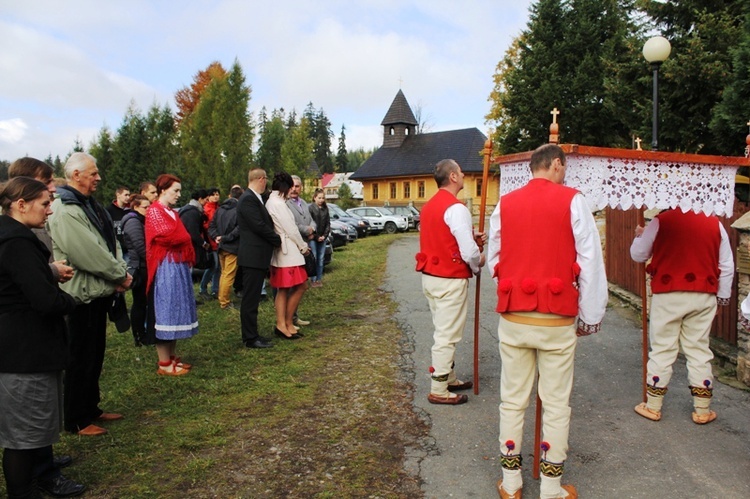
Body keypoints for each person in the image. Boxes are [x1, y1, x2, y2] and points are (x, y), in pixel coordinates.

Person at [488, 144, 607, 499]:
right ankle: (551, 486)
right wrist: (590, 314)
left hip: (514, 314)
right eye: (564, 167)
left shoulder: (505, 203)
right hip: (555, 318)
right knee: (555, 403)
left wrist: (511, 291)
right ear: (556, 164)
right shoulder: (573, 200)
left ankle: (511, 483)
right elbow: (589, 259)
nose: (565, 174)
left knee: (512, 399)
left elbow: (495, 256)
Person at [7, 158, 82, 497]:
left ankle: (37, 478)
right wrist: (73, 302)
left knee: (28, 429)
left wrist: (48, 274)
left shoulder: (14, 239)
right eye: (44, 203)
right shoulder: (17, 243)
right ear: (20, 205)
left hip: (21, 346)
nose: (49, 210)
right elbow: (43, 300)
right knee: (22, 436)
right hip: (25, 350)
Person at [47, 152, 132, 437]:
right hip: (79, 294)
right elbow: (87, 253)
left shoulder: (86, 204)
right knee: (79, 356)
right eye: (93, 173)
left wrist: (118, 268)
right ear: (76, 176)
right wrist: (119, 274)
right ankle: (76, 418)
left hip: (97, 291)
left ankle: (91, 407)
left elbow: (109, 241)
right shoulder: (65, 209)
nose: (98, 178)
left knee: (94, 353)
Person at [630, 208, 733, 425]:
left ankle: (653, 405)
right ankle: (702, 409)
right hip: (704, 293)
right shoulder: (715, 223)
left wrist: (641, 235)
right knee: (698, 349)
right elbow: (727, 266)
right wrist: (722, 298)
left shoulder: (661, 221)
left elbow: (638, 254)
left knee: (663, 348)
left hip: (668, 294)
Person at [416, 159, 486, 407]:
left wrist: (469, 234)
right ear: (453, 176)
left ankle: (449, 377)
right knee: (447, 334)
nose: (465, 175)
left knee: (443, 329)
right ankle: (438, 387)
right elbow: (468, 251)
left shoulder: (429, 207)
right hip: (449, 278)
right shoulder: (457, 208)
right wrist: (478, 263)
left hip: (431, 276)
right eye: (461, 172)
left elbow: (442, 235)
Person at [145, 174, 199, 376]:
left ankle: (173, 358)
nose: (179, 194)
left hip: (176, 265)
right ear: (162, 190)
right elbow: (170, 236)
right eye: (175, 190)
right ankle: (164, 363)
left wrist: (182, 237)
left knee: (175, 309)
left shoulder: (170, 213)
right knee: (166, 310)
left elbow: (181, 236)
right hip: (166, 267)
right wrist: (183, 237)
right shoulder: (154, 211)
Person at [237, 168, 281, 348]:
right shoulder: (248, 199)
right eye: (266, 180)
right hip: (252, 256)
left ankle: (253, 334)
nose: (266, 183)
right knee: (250, 299)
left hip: (257, 256)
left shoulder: (254, 198)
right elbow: (258, 225)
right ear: (261, 179)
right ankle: (250, 338)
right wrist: (277, 239)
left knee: (253, 298)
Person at [266, 172, 310, 340]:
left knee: (284, 289)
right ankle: (284, 323)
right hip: (288, 252)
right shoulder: (278, 203)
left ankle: (284, 323)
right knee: (299, 286)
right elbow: (291, 229)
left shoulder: (275, 201)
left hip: (284, 251)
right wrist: (303, 246)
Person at [122, 195, 155, 348]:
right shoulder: (133, 222)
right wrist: (153, 259)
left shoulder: (139, 220)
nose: (148, 210)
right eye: (145, 207)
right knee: (140, 303)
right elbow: (140, 247)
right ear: (135, 207)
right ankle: (139, 335)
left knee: (144, 302)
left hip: (143, 265)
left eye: (149, 207)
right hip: (140, 267)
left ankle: (145, 334)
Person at [286, 175, 314, 324]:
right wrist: (307, 230)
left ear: (301, 187)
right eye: (292, 186)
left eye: (297, 186)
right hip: (292, 247)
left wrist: (312, 229)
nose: (294, 189)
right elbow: (292, 226)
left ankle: (294, 316)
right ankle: (288, 317)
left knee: (300, 283)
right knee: (293, 284)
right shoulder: (285, 204)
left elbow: (311, 220)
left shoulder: (303, 203)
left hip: (304, 246)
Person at [208, 185, 243, 310]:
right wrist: (225, 237)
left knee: (224, 274)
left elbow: (211, 227)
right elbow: (239, 229)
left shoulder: (220, 209)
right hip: (232, 246)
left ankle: (222, 299)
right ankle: (224, 302)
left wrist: (216, 237)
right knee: (228, 275)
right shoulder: (239, 210)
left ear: (229, 196)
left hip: (221, 246)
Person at [178, 189, 210, 301]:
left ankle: (188, 298)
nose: (207, 201)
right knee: (187, 274)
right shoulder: (192, 212)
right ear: (200, 199)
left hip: (186, 246)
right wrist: (203, 243)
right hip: (188, 247)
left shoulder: (186, 209)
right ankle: (188, 299)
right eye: (206, 199)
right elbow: (193, 232)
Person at [200, 187, 221, 299]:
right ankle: (203, 288)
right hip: (210, 242)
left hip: (218, 242)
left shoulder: (219, 208)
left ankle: (215, 290)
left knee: (217, 267)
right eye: (213, 194)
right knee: (213, 266)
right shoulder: (206, 209)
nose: (216, 196)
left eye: (217, 194)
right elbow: (206, 227)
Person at [307, 188, 330, 287]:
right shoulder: (310, 208)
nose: (321, 200)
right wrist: (316, 237)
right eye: (319, 198)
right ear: (315, 198)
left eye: (323, 198)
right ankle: (313, 279)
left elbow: (328, 224)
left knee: (321, 259)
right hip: (313, 238)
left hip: (322, 237)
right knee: (314, 257)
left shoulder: (326, 209)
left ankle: (319, 279)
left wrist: (324, 236)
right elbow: (310, 223)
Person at [105, 186, 131, 259]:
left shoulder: (130, 211)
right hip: (115, 248)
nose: (128, 197)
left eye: (129, 195)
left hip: (128, 249)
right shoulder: (109, 210)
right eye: (125, 195)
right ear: (118, 195)